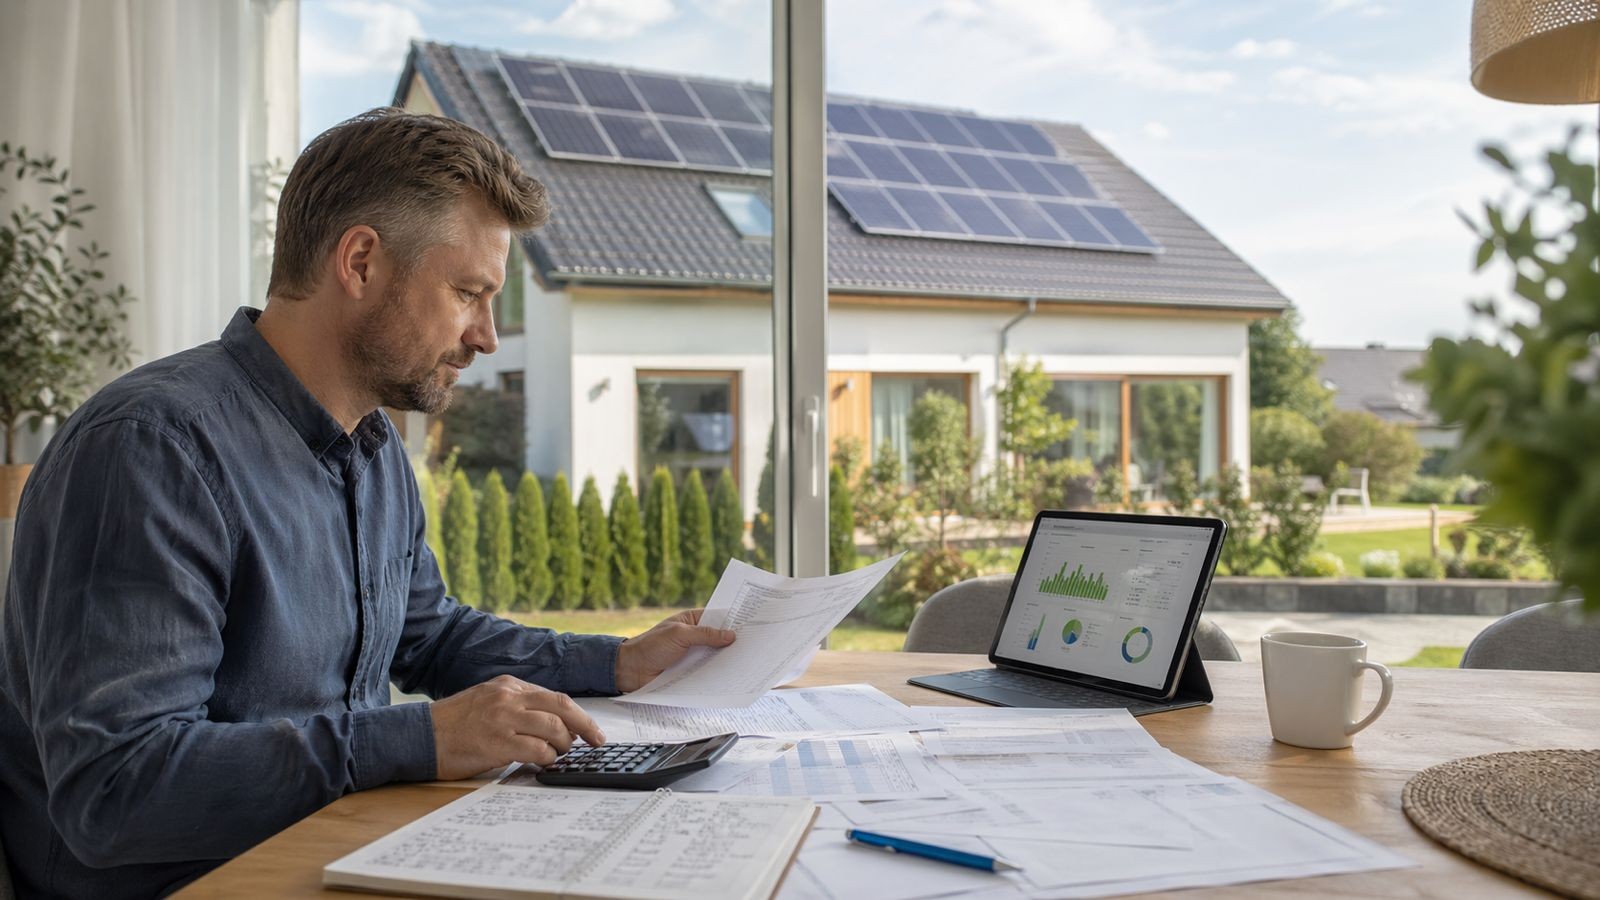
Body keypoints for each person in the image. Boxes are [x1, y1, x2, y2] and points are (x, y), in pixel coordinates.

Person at [0, 108, 735, 899]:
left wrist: (616, 660)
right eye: (467, 293)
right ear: (360, 262)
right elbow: (115, 791)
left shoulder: (373, 449)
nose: (486, 336)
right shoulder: (151, 448)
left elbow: (427, 632)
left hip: (340, 848)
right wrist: (418, 737)